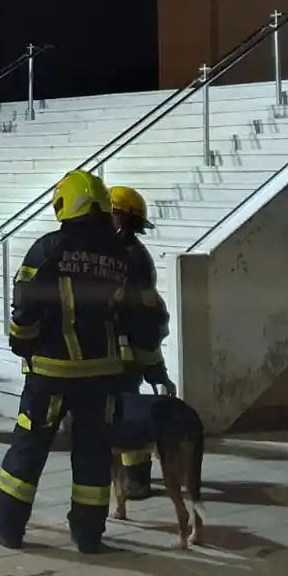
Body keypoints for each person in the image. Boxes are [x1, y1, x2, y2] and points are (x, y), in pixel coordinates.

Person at [0, 169, 168, 554]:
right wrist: (151, 365)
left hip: (50, 373)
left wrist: (23, 344)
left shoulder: (47, 250)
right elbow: (144, 318)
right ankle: (87, 534)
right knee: (94, 454)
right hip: (103, 376)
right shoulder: (124, 257)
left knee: (30, 447)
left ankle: (7, 525)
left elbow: (25, 309)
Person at [109, 185, 176, 501]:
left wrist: (154, 368)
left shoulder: (131, 259)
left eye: (109, 214)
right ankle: (129, 475)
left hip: (126, 349)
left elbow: (141, 315)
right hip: (116, 347)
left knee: (125, 410)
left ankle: (137, 479)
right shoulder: (115, 251)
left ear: (120, 218)